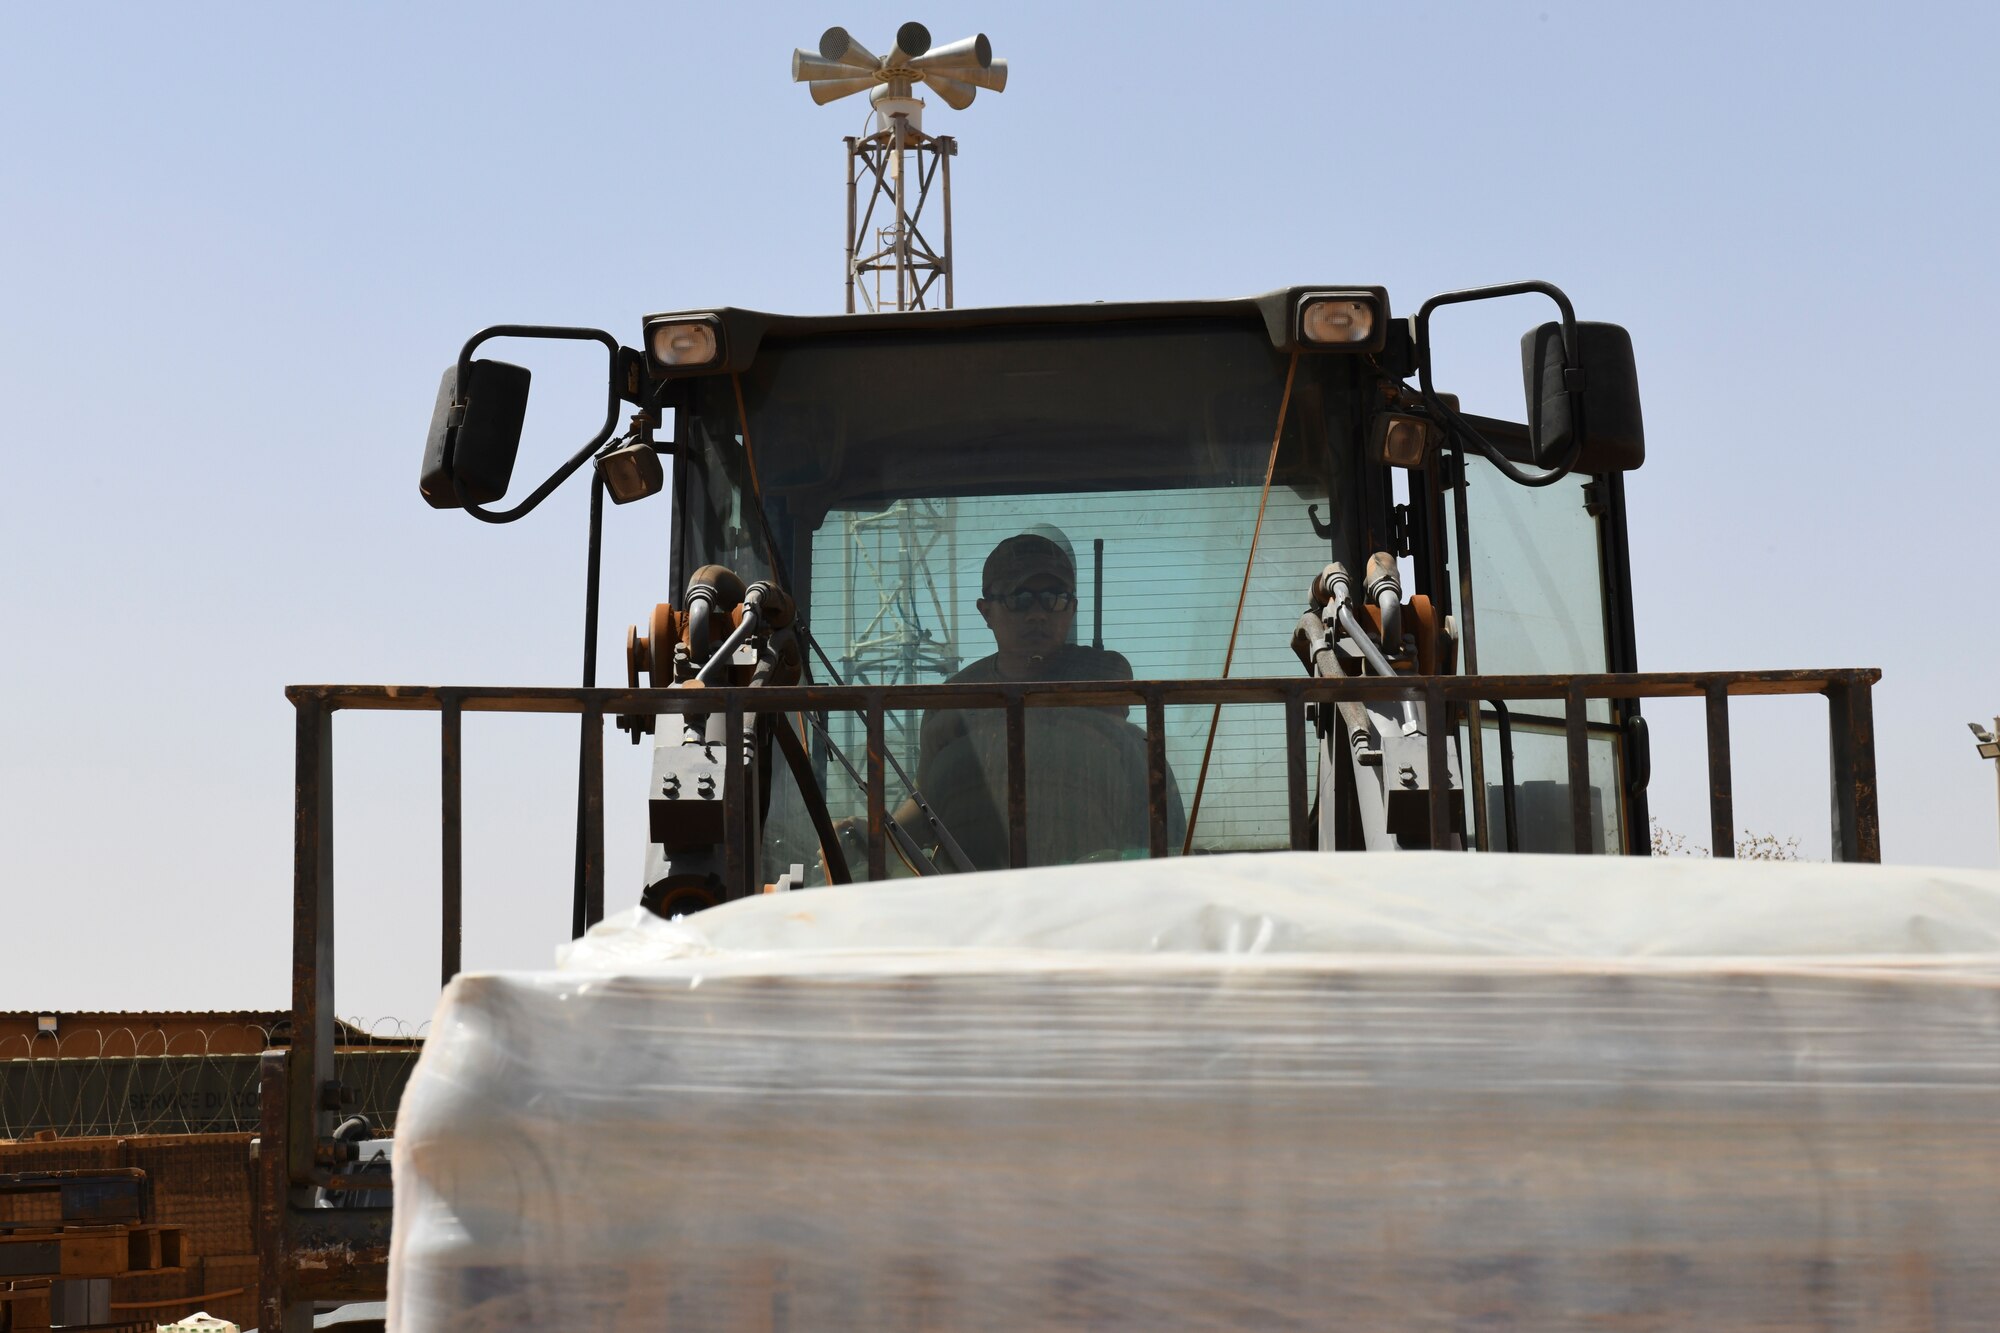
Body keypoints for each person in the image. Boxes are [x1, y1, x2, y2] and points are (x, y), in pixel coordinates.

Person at [894, 532, 1184, 870]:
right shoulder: (953, 700)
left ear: (1072, 608)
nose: (1038, 614)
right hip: (974, 890)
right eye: (1020, 599)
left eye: (1054, 598)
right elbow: (927, 804)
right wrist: (874, 834)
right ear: (985, 611)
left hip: (1100, 882)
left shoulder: (1103, 681)